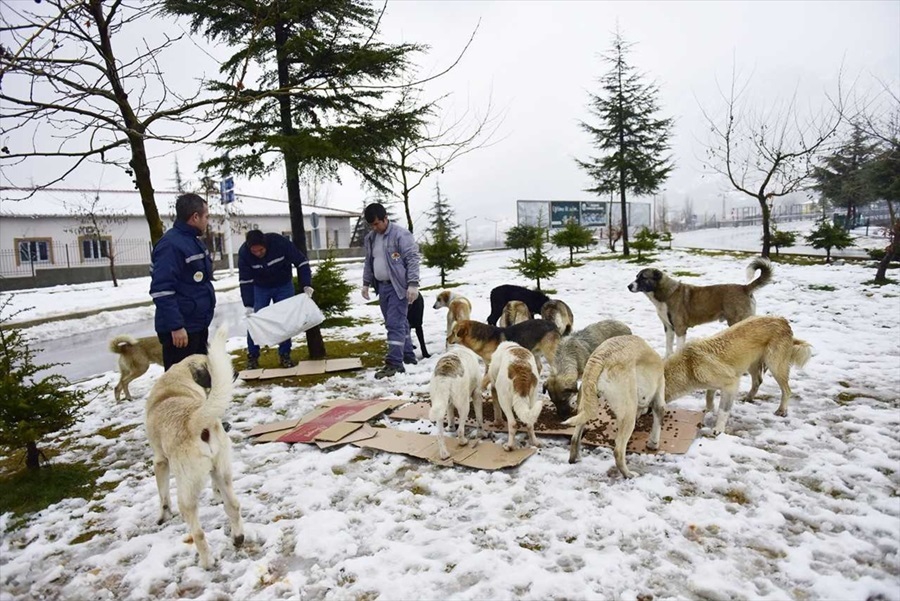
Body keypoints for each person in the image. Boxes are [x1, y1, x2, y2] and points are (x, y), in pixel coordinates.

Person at [149, 193, 216, 370]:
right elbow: (161, 290)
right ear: (195, 217)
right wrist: (176, 326)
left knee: (200, 380)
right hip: (181, 332)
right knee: (181, 384)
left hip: (196, 325)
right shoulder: (170, 245)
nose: (207, 221)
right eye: (206, 216)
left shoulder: (192, 241)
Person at [361, 203, 421, 379]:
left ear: (385, 218)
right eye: (372, 225)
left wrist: (413, 284)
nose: (375, 227)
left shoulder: (401, 235)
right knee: (398, 322)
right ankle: (408, 355)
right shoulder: (371, 239)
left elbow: (412, 259)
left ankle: (394, 363)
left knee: (394, 324)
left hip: (398, 286)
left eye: (378, 223)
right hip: (382, 287)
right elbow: (368, 262)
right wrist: (366, 283)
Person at [238, 229, 313, 370]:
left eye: (260, 250)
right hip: (260, 288)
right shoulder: (244, 254)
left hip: (283, 284)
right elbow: (245, 281)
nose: (258, 254)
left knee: (285, 320)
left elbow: (301, 262)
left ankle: (285, 355)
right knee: (256, 320)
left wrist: (306, 284)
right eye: (254, 251)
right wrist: (248, 304)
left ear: (265, 244)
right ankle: (253, 356)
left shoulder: (279, 243)